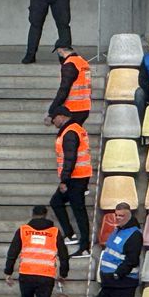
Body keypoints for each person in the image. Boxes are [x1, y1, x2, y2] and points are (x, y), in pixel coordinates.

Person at [4, 205, 70, 297]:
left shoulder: (23, 230)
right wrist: (63, 274)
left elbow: (12, 253)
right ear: (46, 215)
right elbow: (64, 256)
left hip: (26, 274)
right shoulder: (54, 232)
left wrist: (8, 272)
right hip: (46, 276)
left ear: (32, 214)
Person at [84, 202, 142, 297]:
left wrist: (117, 274)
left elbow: (132, 260)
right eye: (116, 215)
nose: (118, 218)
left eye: (121, 216)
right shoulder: (118, 230)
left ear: (129, 216)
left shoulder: (134, 234)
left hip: (123, 284)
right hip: (109, 282)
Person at [48, 108, 91, 257]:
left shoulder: (70, 132)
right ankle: (71, 235)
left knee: (79, 211)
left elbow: (70, 158)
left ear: (61, 116)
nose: (53, 122)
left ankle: (84, 246)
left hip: (75, 178)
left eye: (54, 118)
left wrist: (64, 180)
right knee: (56, 202)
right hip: (79, 176)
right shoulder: (75, 129)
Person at [45, 46, 91, 124]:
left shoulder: (69, 64)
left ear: (60, 50)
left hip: (72, 108)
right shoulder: (83, 62)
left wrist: (52, 110)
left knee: (69, 130)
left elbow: (64, 90)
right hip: (85, 107)